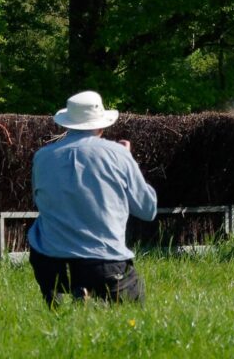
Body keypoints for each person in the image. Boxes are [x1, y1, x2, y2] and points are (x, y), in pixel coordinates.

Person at [27, 91, 157, 307]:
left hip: (49, 264)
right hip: (104, 263)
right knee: (134, 314)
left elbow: (38, 200)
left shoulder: (42, 157)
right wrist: (128, 161)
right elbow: (147, 209)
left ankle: (68, 305)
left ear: (67, 124)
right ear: (101, 125)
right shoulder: (117, 154)